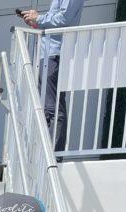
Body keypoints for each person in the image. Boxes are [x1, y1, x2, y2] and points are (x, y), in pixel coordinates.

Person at [20, 0, 85, 152]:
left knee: (53, 108)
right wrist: (36, 23)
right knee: (46, 108)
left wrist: (39, 18)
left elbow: (64, 19)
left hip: (55, 54)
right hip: (47, 54)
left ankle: (54, 155)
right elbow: (57, 20)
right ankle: (47, 153)